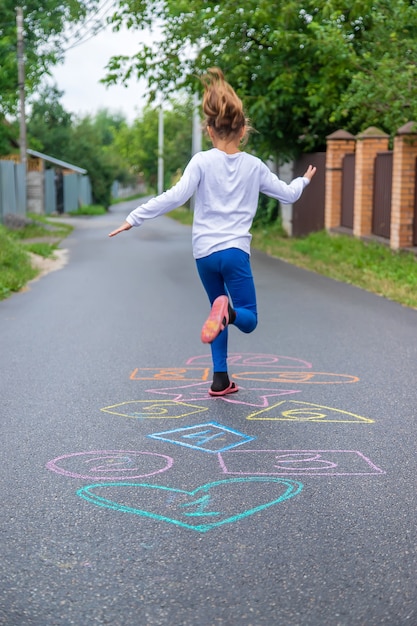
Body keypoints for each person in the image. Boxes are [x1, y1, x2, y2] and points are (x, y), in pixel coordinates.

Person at [109, 67, 316, 397]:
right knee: (247, 318)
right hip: (234, 253)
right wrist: (303, 180)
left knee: (214, 310)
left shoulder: (201, 162)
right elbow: (288, 194)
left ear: (209, 129)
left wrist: (134, 217)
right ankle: (229, 312)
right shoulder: (254, 165)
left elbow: (175, 196)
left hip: (204, 254)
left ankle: (220, 379)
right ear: (243, 129)